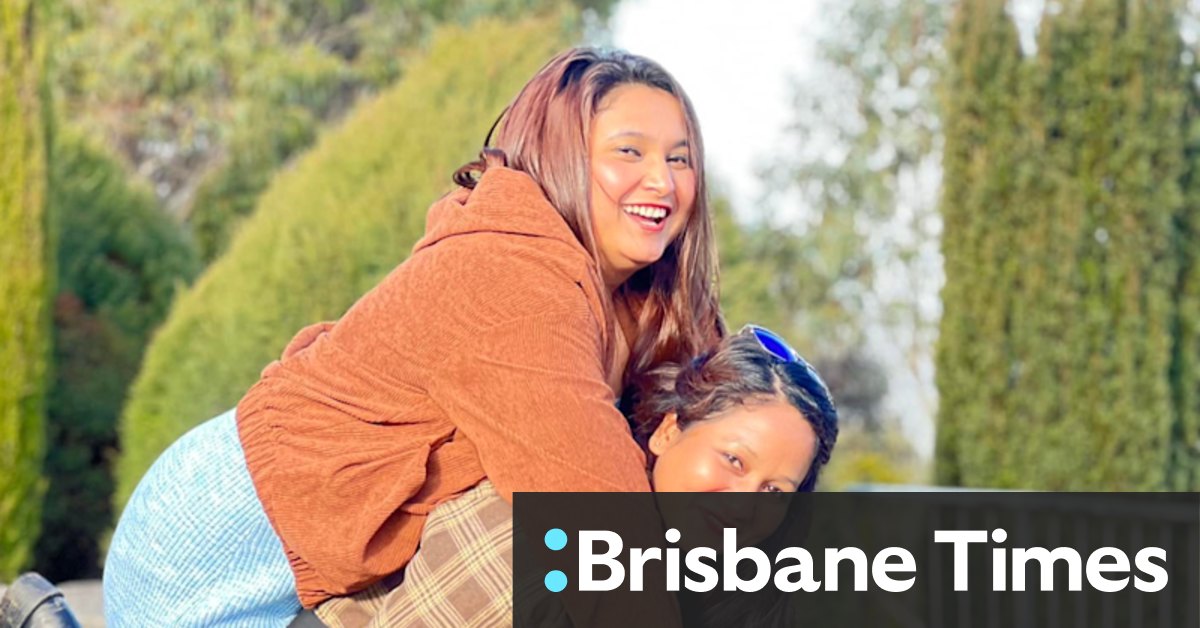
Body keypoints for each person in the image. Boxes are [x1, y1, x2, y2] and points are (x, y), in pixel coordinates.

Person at [103, 46, 722, 627]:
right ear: (560, 156)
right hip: (211, 549)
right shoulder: (511, 277)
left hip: (308, 558)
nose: (662, 183)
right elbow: (601, 517)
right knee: (541, 548)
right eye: (628, 152)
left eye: (679, 159)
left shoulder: (638, 300)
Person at [312, 324, 839, 627]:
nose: (745, 505)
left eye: (776, 491)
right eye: (734, 460)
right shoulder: (559, 521)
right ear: (668, 432)